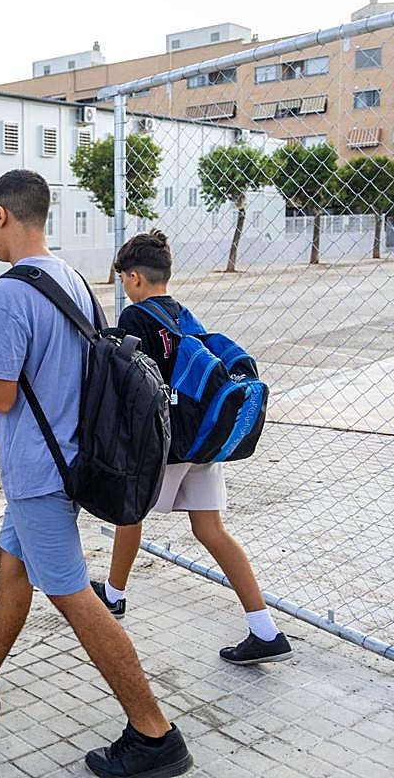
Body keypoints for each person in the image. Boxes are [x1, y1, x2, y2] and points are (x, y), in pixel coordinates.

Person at [0, 170, 193, 778]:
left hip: (36, 472)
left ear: (2, 216)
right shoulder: (75, 278)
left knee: (74, 595)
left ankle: (154, 733)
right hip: (70, 457)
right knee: (12, 562)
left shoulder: (6, 293)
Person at [92, 229, 292, 665]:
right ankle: (265, 629)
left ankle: (113, 595)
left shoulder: (135, 319)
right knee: (211, 531)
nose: (124, 288)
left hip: (166, 443)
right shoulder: (183, 315)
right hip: (203, 438)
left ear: (135, 279)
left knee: (131, 512)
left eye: (123, 279)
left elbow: (132, 387)